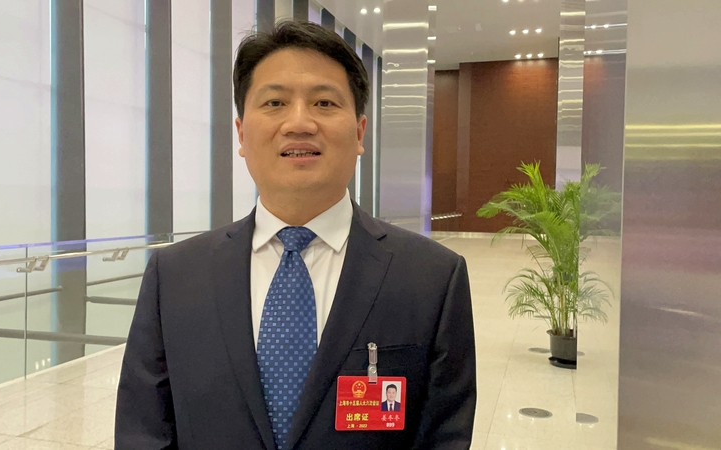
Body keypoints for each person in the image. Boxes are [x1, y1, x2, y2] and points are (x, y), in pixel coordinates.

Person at [115, 20, 476, 450]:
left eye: (324, 102)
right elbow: (144, 432)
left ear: (359, 132)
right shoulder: (174, 276)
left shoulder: (432, 278)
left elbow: (443, 437)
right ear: (241, 134)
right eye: (275, 102)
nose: (299, 122)